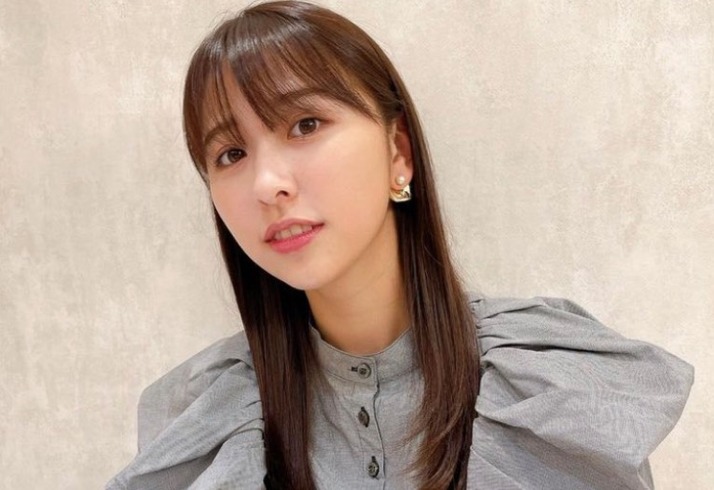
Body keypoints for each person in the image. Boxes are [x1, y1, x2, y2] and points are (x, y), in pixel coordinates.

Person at [107, 1, 694, 489]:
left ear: (398, 153)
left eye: (305, 124)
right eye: (230, 154)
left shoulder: (547, 387)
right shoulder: (207, 421)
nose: (267, 183)